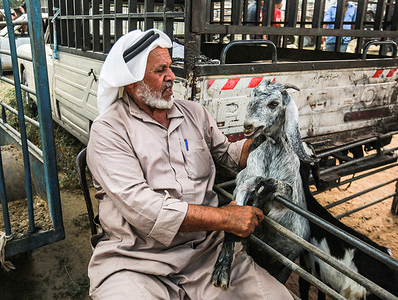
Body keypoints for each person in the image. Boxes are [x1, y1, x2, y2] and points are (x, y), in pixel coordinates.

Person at [86, 28, 293, 299]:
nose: (171, 77)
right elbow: (144, 209)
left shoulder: (194, 113)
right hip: (137, 261)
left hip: (207, 253)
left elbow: (229, 156)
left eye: (170, 67)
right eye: (160, 71)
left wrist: (272, 136)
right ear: (131, 81)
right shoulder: (109, 130)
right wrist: (224, 218)